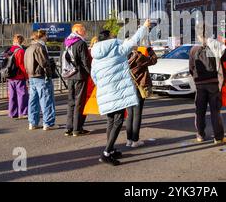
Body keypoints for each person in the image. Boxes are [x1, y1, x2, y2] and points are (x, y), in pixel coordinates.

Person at [90, 19, 151, 166]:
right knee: (117, 121)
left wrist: (104, 86)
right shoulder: (117, 48)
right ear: (110, 38)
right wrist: (144, 27)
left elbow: (94, 76)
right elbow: (134, 40)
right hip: (117, 91)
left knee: (111, 120)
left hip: (105, 91)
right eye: (112, 35)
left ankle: (110, 149)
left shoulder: (95, 55)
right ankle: (106, 153)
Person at [189, 31, 226, 145]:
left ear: (198, 35)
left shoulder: (193, 49)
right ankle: (218, 138)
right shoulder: (215, 45)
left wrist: (196, 80)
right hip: (214, 83)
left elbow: (191, 67)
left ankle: (200, 135)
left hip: (199, 85)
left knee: (199, 111)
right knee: (215, 111)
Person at [24, 29, 57, 131]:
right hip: (41, 76)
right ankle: (48, 123)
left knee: (33, 101)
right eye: (45, 35)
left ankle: (32, 123)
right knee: (46, 99)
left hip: (32, 76)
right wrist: (49, 73)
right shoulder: (40, 47)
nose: (47, 37)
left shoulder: (29, 48)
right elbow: (44, 63)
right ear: (42, 36)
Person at [126, 45, 158, 147]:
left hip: (127, 87)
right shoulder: (139, 57)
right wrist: (149, 50)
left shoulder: (123, 57)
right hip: (138, 87)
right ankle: (135, 140)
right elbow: (153, 60)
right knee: (137, 114)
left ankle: (129, 140)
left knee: (129, 114)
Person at [63, 24, 92, 137]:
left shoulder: (66, 42)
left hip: (70, 75)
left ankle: (68, 128)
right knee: (79, 103)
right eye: (83, 30)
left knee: (71, 102)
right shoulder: (81, 43)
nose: (84, 32)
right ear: (77, 31)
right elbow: (85, 61)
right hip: (80, 75)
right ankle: (77, 128)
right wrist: (91, 73)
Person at [7, 34, 28, 119]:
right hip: (19, 76)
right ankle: (22, 112)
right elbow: (21, 65)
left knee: (12, 95)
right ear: (21, 41)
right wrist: (26, 76)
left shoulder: (10, 49)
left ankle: (12, 112)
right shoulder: (20, 51)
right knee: (22, 94)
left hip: (10, 76)